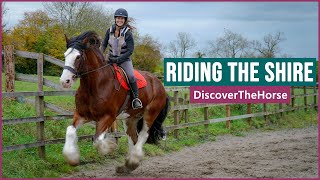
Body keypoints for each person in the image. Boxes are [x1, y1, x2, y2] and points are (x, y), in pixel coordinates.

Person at [101, 8, 142, 109]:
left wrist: (119, 59)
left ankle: (136, 98)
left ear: (125, 20)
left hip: (124, 60)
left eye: (122, 18)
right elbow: (103, 45)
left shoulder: (128, 33)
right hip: (109, 59)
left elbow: (130, 50)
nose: (120, 20)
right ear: (115, 19)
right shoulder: (109, 30)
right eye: (118, 18)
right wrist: (99, 55)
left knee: (131, 76)